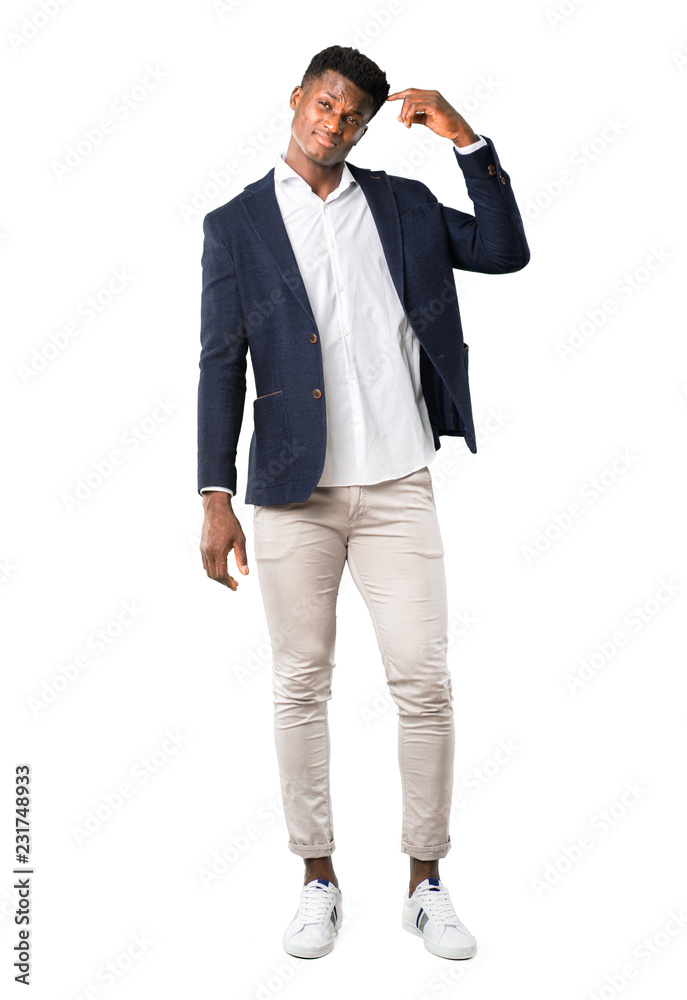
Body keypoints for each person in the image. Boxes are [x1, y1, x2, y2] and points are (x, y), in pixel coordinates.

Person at [197, 44, 529, 960]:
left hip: (397, 485)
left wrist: (464, 139)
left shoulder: (402, 205)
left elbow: (503, 251)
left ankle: (425, 883)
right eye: (324, 103)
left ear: (366, 127)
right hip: (289, 495)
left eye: (352, 116)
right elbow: (220, 363)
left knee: (422, 682)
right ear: (297, 98)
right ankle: (317, 878)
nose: (333, 124)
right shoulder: (235, 225)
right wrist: (215, 493)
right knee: (300, 684)